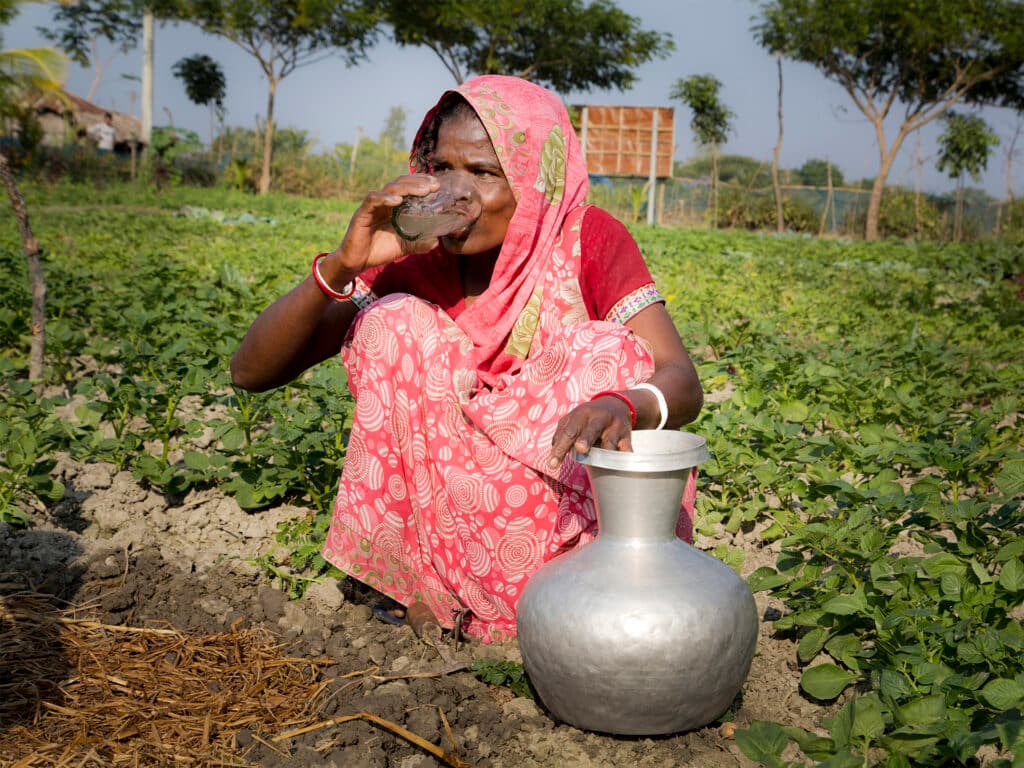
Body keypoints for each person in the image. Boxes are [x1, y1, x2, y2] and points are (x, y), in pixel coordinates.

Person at [231, 75, 703, 642]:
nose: (455, 191)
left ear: (536, 181)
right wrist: (345, 263)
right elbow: (251, 373)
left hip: (558, 533)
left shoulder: (586, 239)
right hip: (441, 526)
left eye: (482, 172)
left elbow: (681, 379)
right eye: (441, 167)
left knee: (608, 350)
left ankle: (568, 595)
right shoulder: (416, 253)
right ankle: (431, 586)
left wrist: (621, 402)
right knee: (391, 321)